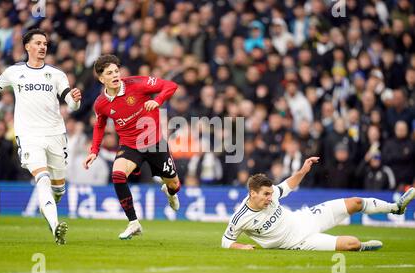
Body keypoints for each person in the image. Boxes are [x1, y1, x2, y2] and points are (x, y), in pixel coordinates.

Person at [0, 28, 82, 245]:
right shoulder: (14, 72)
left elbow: (70, 104)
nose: (43, 47)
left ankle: (51, 207)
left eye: (45, 43)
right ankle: (55, 227)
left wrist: (75, 99)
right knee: (41, 178)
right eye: (38, 43)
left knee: (58, 189)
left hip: (55, 134)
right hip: (28, 135)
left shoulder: (56, 74)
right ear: (27, 47)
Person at [222, 156, 415, 251]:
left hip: (305, 218)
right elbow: (226, 241)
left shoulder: (272, 195)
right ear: (252, 193)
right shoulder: (241, 217)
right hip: (298, 242)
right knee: (352, 244)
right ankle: (363, 246)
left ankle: (395, 207)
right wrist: (243, 247)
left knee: (355, 202)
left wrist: (304, 170)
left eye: (271, 194)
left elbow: (288, 184)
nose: (270, 198)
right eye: (265, 194)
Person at [83, 54, 180, 240]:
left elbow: (171, 85)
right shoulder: (100, 103)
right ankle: (133, 222)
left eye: (117, 71)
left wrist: (157, 101)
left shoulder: (138, 83)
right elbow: (100, 125)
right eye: (109, 73)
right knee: (117, 174)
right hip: (129, 145)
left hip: (154, 144)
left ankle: (169, 192)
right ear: (101, 78)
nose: (115, 75)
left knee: (174, 185)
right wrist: (94, 151)